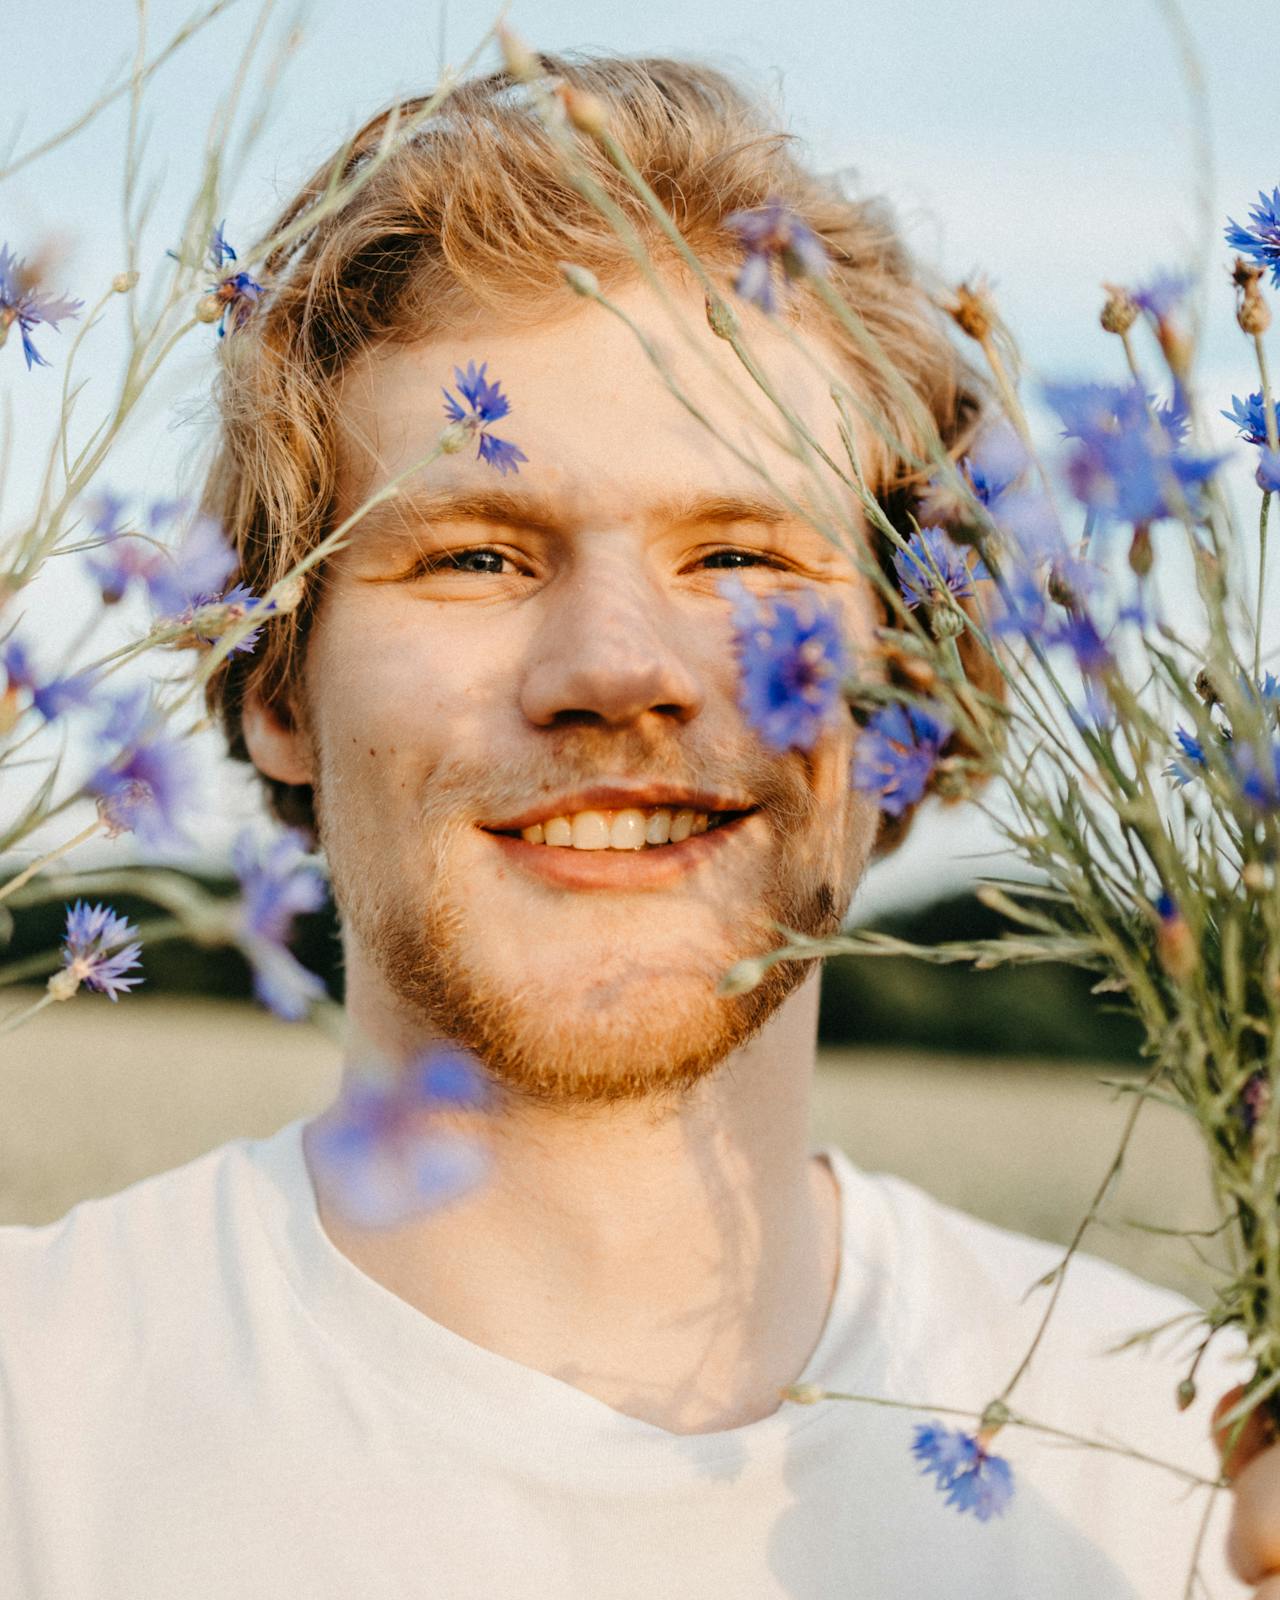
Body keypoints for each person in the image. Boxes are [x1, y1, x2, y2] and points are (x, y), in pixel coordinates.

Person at [0, 51, 1273, 1598]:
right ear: (277, 684)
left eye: (741, 554)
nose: (617, 669)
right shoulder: (33, 1426)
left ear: (916, 694)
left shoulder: (1186, 1478)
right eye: (474, 555)